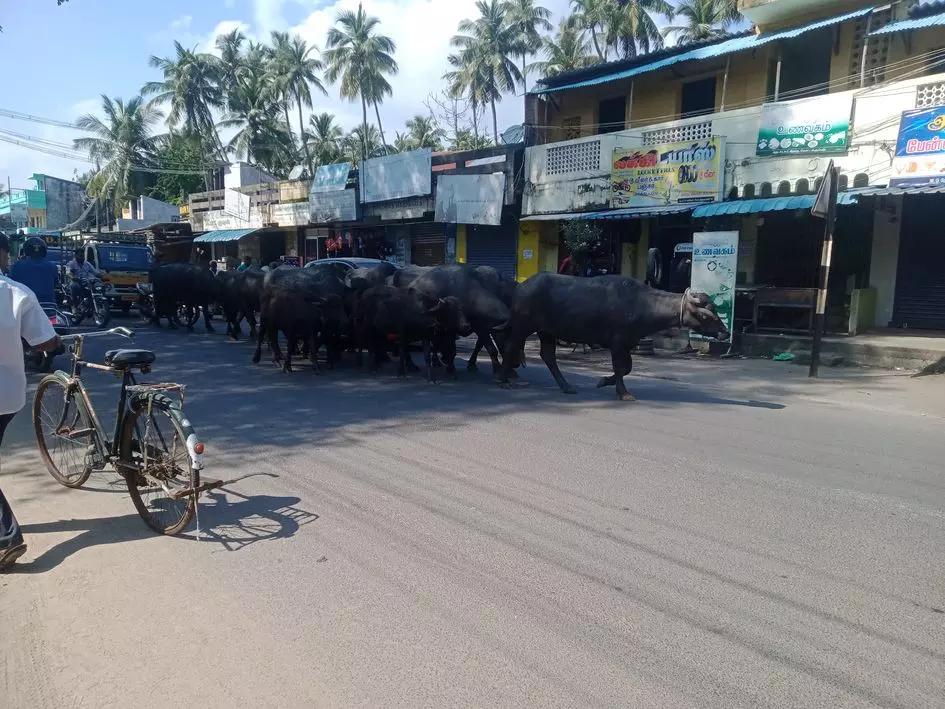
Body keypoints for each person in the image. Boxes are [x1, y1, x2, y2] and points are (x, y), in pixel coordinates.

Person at [0, 232, 59, 570]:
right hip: (6, 395)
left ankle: (8, 539)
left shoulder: (19, 281)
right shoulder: (16, 293)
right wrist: (54, 346)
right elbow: (45, 342)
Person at [10, 237, 58, 307]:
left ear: (26, 250)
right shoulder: (52, 266)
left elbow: (12, 284)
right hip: (48, 307)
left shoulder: (17, 265)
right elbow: (55, 284)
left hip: (24, 308)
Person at [66, 247, 101, 311]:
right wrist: (72, 277)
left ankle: (90, 305)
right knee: (74, 286)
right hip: (75, 281)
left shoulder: (87, 264)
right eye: (80, 255)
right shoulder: (71, 263)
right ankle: (75, 306)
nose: (82, 257)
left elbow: (95, 272)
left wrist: (101, 275)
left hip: (86, 281)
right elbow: (68, 272)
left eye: (83, 255)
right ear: (76, 255)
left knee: (97, 286)